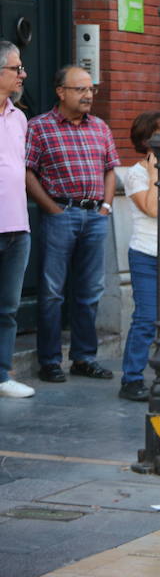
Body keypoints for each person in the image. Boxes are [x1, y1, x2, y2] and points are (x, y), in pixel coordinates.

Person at [25, 65, 118, 384]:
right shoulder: (39, 128)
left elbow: (110, 169)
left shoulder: (101, 128)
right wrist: (51, 208)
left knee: (90, 291)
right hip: (60, 215)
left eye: (91, 89)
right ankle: (50, 361)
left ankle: (84, 358)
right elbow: (28, 172)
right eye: (80, 89)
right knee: (52, 292)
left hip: (95, 217)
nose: (88, 95)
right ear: (60, 92)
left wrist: (106, 206)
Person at [119, 111, 160, 402]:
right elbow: (152, 208)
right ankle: (131, 379)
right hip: (146, 255)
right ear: (149, 138)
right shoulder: (137, 173)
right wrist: (154, 174)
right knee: (146, 318)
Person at [0, 41, 34, 398]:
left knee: (8, 308)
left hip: (17, 227)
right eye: (16, 68)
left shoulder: (20, 117)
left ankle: (1, 376)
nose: (22, 74)